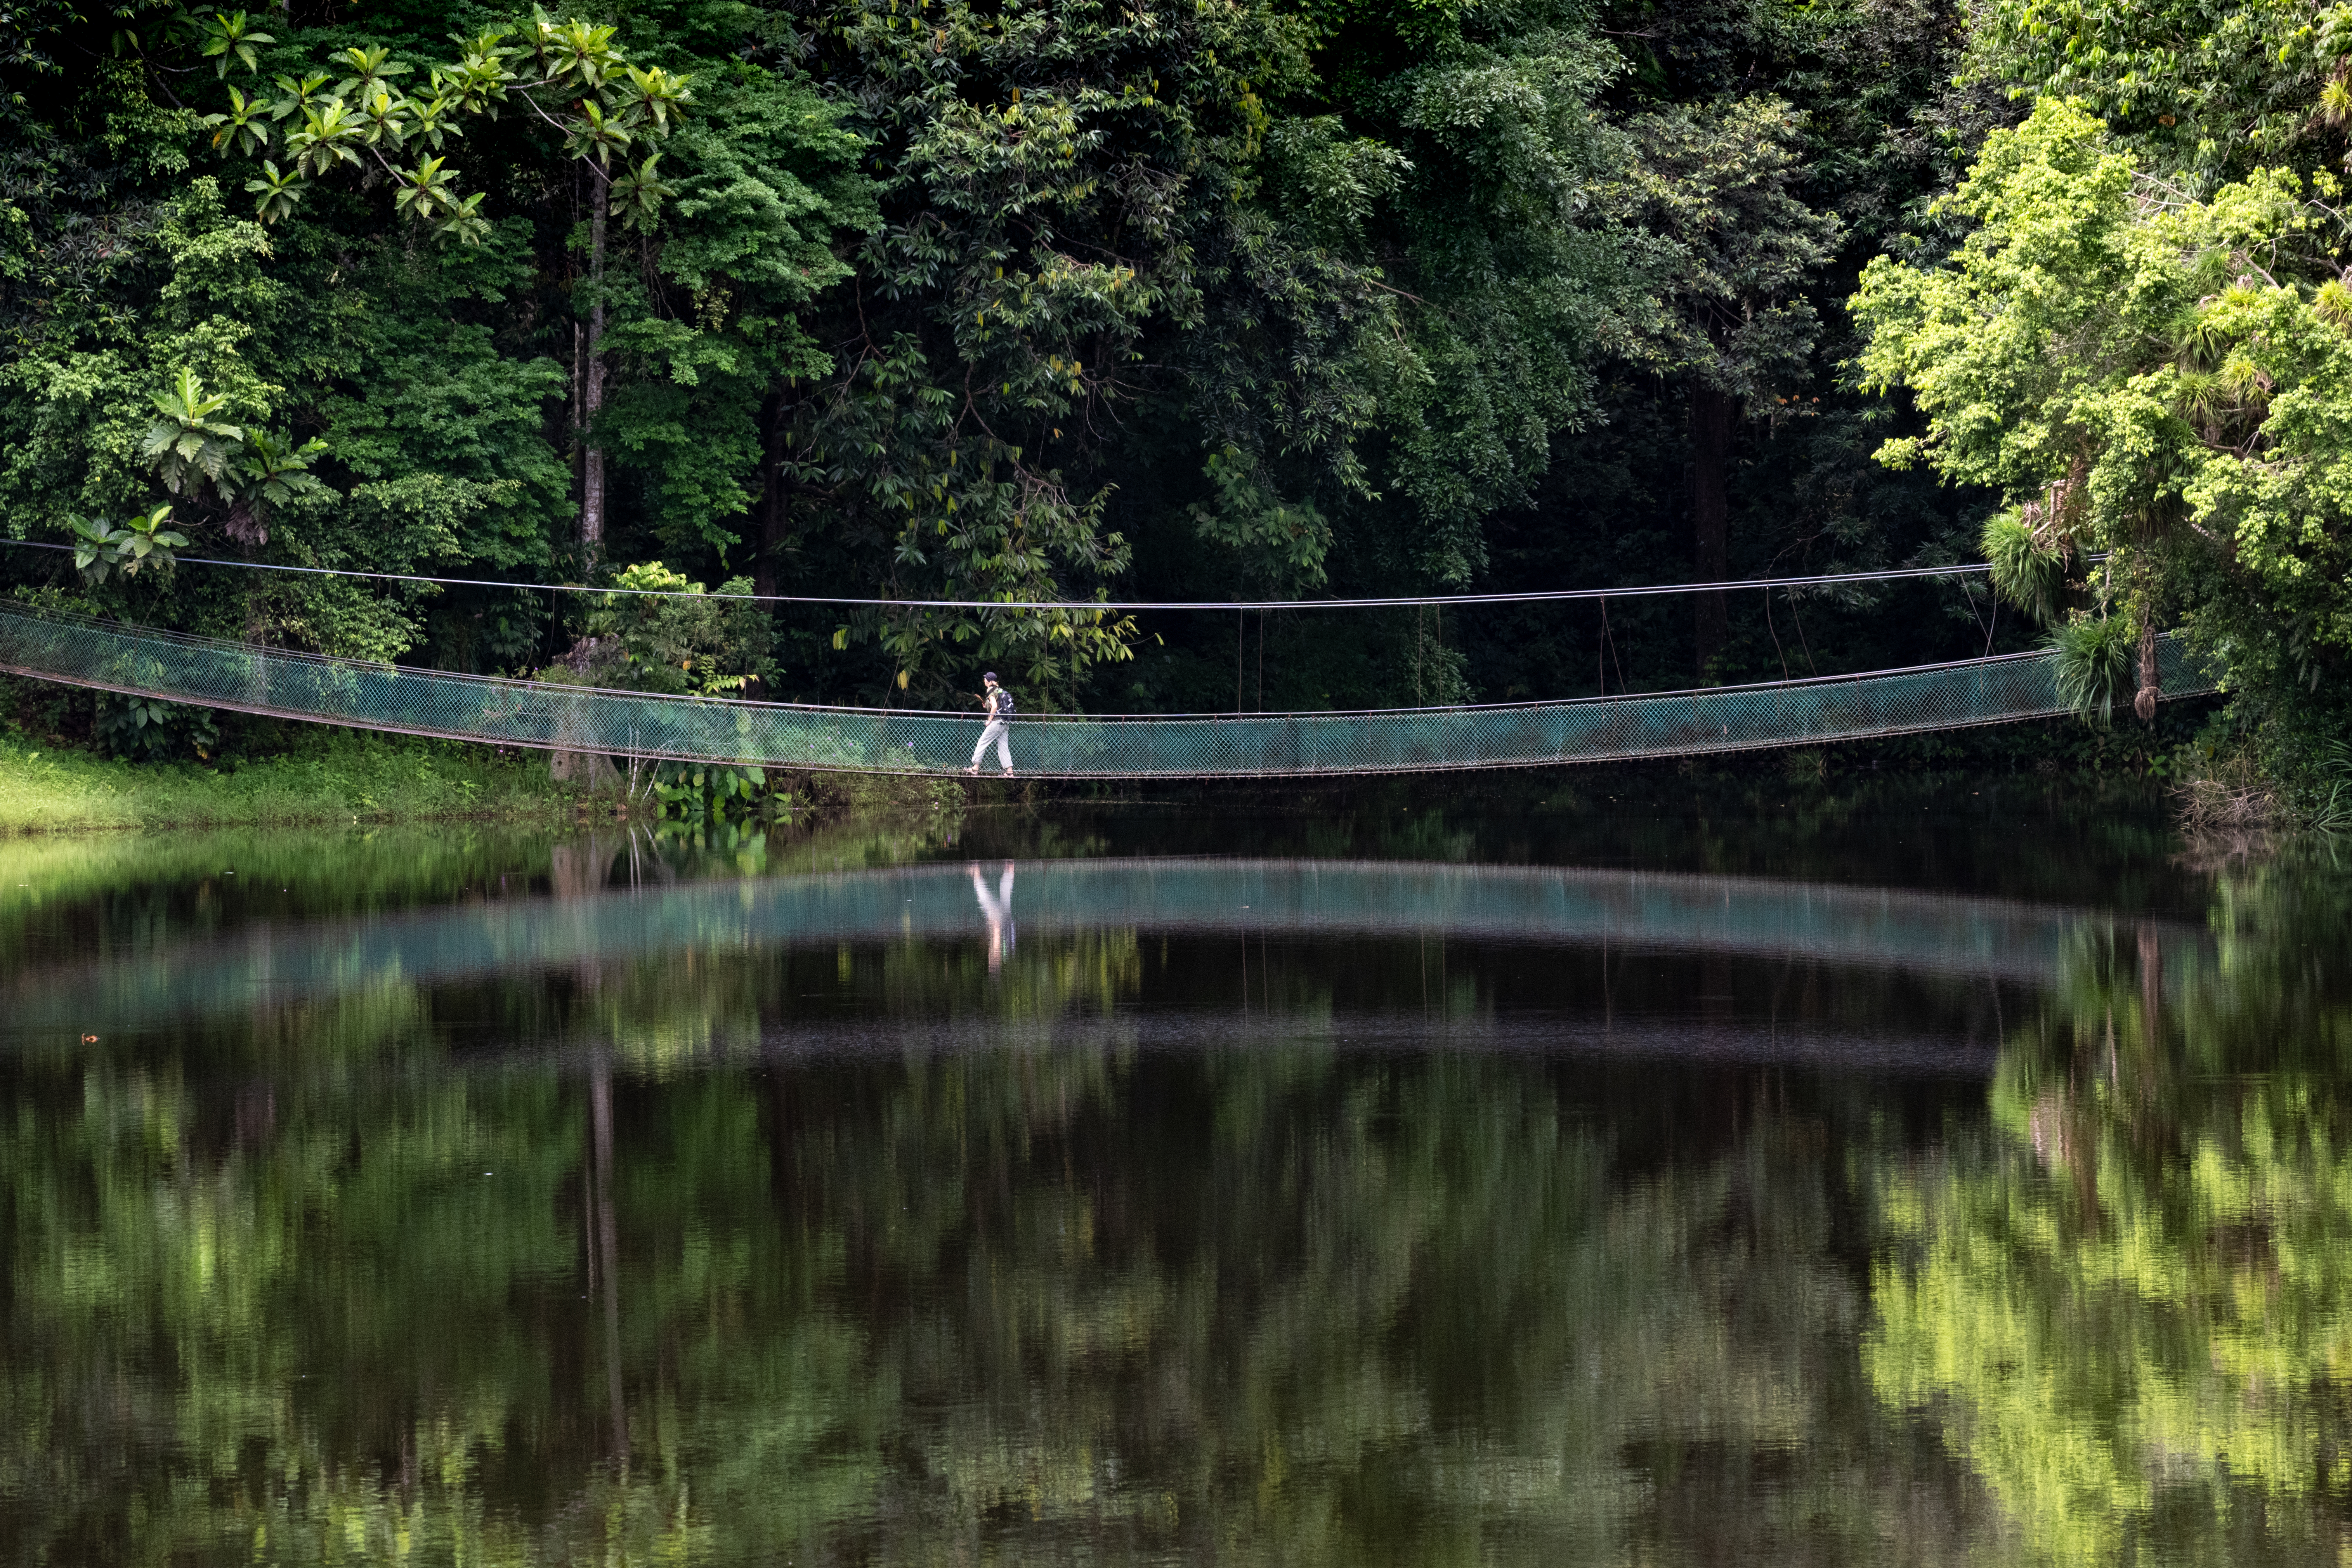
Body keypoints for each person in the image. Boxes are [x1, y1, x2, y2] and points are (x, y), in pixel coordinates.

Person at [963, 671, 1013, 775]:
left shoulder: (990, 689)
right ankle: (1010, 772)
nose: (984, 680)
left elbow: (995, 706)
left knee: (982, 742)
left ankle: (976, 767)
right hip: (1005, 722)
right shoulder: (999, 690)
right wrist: (987, 706)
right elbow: (996, 705)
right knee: (1003, 746)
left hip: (997, 722)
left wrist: (989, 720)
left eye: (985, 679)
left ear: (989, 681)